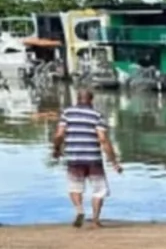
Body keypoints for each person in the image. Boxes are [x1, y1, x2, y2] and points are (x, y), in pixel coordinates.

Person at [52, 88, 122, 228]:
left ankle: (79, 210)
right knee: (99, 190)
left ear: (77, 99)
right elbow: (103, 139)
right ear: (91, 100)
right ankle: (95, 219)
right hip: (93, 158)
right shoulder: (97, 115)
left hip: (74, 157)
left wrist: (56, 149)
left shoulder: (67, 113)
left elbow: (59, 135)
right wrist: (114, 162)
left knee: (75, 187)